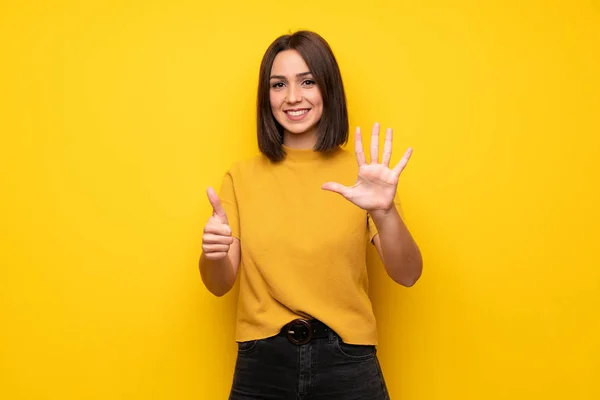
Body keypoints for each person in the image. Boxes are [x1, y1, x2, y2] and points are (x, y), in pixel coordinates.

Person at [199, 30, 423, 400]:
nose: (292, 97)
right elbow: (219, 283)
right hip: (262, 363)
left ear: (328, 89)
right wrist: (213, 253)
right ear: (265, 96)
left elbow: (408, 274)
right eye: (278, 84)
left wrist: (384, 212)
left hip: (347, 361)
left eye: (308, 81)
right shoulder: (240, 177)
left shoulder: (365, 175)